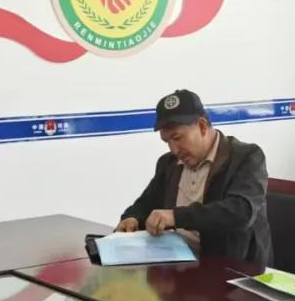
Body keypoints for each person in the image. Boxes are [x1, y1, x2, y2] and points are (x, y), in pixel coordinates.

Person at [117, 89, 273, 269]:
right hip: (176, 265)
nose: (174, 149)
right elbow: (146, 202)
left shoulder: (246, 157)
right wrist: (132, 218)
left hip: (230, 270)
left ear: (202, 126)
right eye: (167, 142)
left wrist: (177, 216)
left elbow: (241, 212)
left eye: (177, 138)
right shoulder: (169, 163)